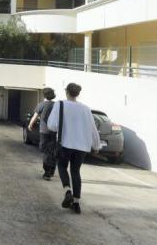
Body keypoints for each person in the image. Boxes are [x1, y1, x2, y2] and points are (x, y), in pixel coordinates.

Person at [47, 82, 101, 214]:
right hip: (81, 146)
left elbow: (52, 126)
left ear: (67, 92)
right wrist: (96, 145)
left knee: (62, 166)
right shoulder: (86, 109)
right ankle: (76, 204)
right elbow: (93, 130)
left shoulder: (60, 105)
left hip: (65, 143)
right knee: (76, 172)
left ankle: (67, 191)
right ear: (78, 94)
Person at [27, 87, 57, 180]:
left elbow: (35, 116)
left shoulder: (41, 104)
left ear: (44, 95)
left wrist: (30, 124)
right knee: (52, 150)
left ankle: (47, 172)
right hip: (55, 131)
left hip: (44, 131)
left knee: (45, 151)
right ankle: (51, 170)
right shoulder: (57, 105)